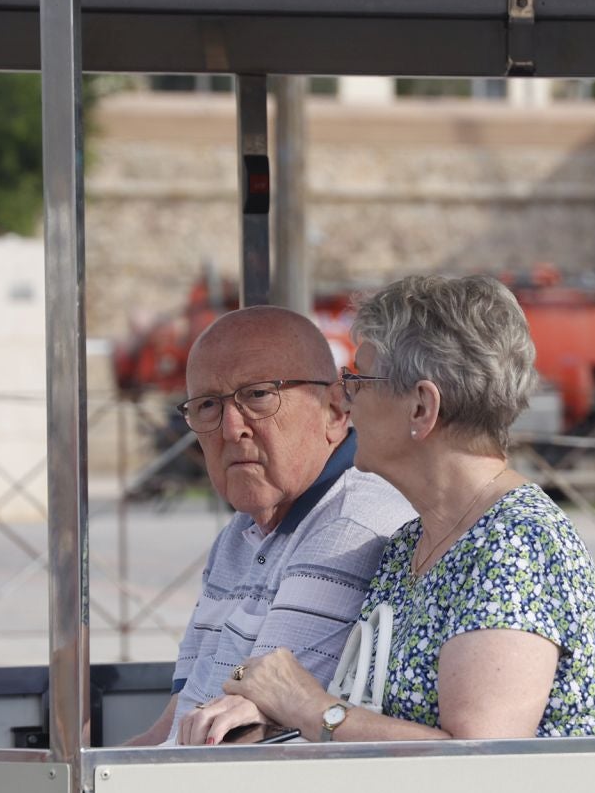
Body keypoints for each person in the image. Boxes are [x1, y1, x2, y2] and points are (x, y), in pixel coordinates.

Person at [182, 275, 595, 743]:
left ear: (421, 408)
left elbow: (481, 760)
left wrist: (310, 707)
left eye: (361, 380)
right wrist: (270, 709)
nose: (345, 400)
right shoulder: (411, 545)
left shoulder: (515, 544)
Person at [129, 307, 412, 747]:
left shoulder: (351, 522)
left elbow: (255, 715)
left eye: (258, 395)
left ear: (336, 409)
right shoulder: (240, 533)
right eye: (207, 406)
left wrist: (237, 669)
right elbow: (175, 719)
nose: (231, 428)